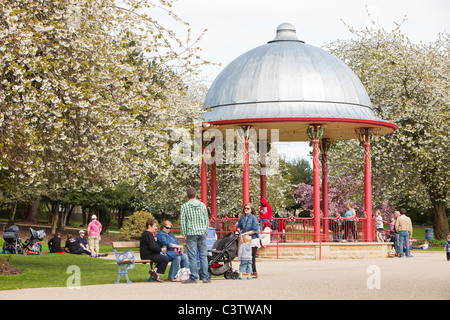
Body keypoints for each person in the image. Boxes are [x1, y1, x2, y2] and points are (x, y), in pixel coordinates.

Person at [180, 187, 210, 284]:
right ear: (196, 195)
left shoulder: (185, 206)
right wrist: (205, 230)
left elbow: (183, 221)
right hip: (201, 232)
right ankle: (205, 276)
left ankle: (194, 277)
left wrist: (184, 233)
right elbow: (206, 219)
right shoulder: (202, 205)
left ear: (187, 196)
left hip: (191, 232)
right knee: (203, 255)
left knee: (192, 256)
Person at [140, 218, 169, 283]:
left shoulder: (148, 234)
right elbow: (152, 247)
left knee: (164, 258)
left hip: (149, 254)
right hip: (147, 255)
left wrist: (154, 240)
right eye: (154, 226)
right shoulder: (148, 235)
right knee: (165, 259)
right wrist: (161, 249)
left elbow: (152, 245)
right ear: (149, 226)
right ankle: (157, 275)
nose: (156, 228)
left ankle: (154, 271)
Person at [236, 203, 260, 278]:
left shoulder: (253, 218)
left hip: (253, 239)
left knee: (252, 256)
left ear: (251, 210)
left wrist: (245, 233)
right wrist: (238, 231)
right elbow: (239, 226)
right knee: (245, 255)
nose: (246, 210)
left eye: (248, 208)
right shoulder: (242, 218)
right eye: (245, 208)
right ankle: (248, 271)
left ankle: (254, 272)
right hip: (245, 239)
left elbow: (255, 230)